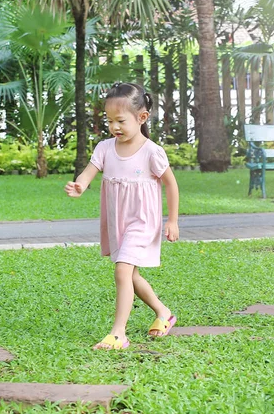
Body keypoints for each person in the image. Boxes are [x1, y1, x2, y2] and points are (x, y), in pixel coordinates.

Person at [64, 82, 179, 350]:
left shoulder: (151, 151)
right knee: (131, 274)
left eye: (120, 120)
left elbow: (171, 184)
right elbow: (89, 171)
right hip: (118, 222)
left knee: (122, 270)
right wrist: (80, 185)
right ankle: (164, 313)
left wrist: (172, 220)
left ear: (142, 118)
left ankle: (118, 333)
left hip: (143, 220)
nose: (114, 127)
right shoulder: (105, 148)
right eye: (110, 120)